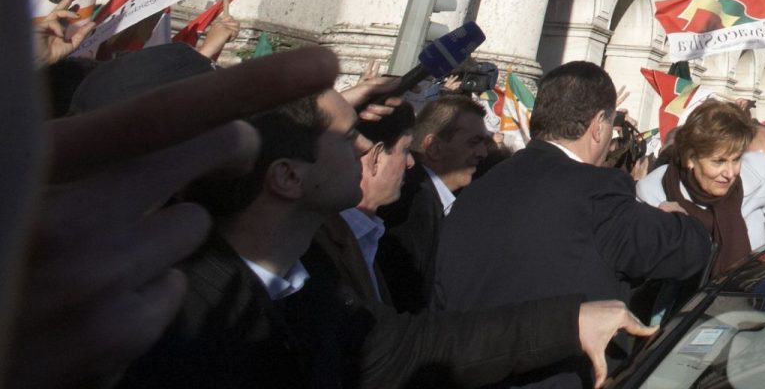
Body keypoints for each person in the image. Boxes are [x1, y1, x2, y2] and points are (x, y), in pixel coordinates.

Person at [120, 89, 650, 389]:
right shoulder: (173, 323)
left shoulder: (311, 285)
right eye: (346, 135)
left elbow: (412, 344)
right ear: (286, 176)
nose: (366, 146)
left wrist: (570, 321)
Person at [436, 62, 712, 389]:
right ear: (598, 125)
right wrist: (676, 217)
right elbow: (689, 250)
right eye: (611, 125)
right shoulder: (598, 193)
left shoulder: (478, 188)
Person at [380, 93, 491, 314]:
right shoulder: (410, 202)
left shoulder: (436, 202)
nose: (483, 153)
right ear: (434, 147)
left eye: (484, 143)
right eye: (474, 142)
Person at [307, 100, 413, 312]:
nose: (411, 162)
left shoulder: (366, 233)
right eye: (405, 149)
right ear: (375, 157)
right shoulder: (317, 241)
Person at [634, 99, 761, 275]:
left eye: (736, 159)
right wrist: (660, 228)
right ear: (690, 158)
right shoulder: (651, 192)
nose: (730, 173)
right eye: (719, 161)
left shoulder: (753, 181)